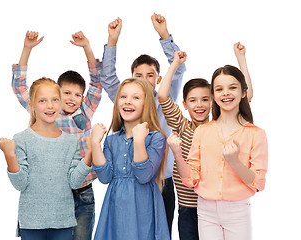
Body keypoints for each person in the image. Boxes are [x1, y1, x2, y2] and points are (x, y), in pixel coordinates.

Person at [101, 14, 186, 235]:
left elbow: (177, 73)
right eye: (138, 75)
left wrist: (164, 35)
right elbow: (108, 78)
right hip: (129, 184)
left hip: (162, 181)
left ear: (158, 79)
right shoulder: (127, 100)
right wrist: (112, 42)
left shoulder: (164, 100)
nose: (143, 79)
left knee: (160, 231)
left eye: (150, 75)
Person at [11, 30, 102, 240]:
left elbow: (97, 83)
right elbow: (20, 88)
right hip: (53, 191)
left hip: (83, 190)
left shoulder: (86, 112)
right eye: (66, 94)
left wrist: (87, 48)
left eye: (78, 94)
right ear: (56, 96)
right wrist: (27, 49)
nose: (72, 99)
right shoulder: (49, 113)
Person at [158, 42, 253, 240]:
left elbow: (245, 96)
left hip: (214, 205)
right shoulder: (182, 125)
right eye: (193, 100)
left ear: (213, 101)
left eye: (205, 99)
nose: (199, 105)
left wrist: (241, 60)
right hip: (187, 207)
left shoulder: (220, 127)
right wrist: (175, 64)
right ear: (184, 104)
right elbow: (162, 95)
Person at [0, 77, 92, 240]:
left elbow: (75, 182)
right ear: (32, 105)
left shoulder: (71, 141)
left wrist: (91, 152)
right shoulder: (21, 139)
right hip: (31, 223)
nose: (50, 106)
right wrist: (10, 156)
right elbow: (20, 183)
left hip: (63, 222)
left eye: (55, 100)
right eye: (43, 100)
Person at [91, 78, 170, 240]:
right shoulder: (111, 140)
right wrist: (95, 143)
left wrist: (139, 140)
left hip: (143, 208)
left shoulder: (156, 138)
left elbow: (144, 175)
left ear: (146, 103)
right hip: (116, 208)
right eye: (123, 96)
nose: (128, 102)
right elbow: (105, 177)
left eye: (136, 97)